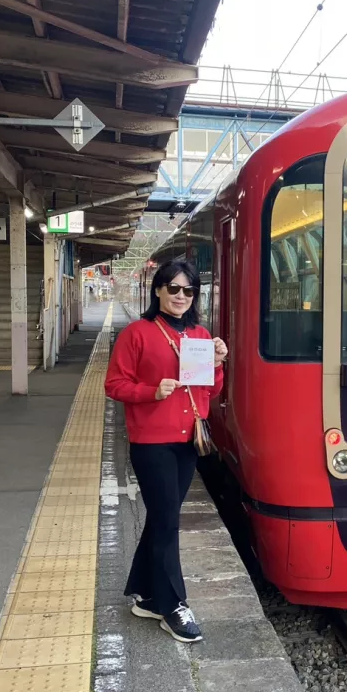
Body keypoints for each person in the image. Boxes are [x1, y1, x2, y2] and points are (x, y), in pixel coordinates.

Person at [104, 260, 227, 643]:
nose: (180, 296)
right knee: (168, 522)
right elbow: (114, 384)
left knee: (163, 518)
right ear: (158, 290)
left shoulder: (200, 335)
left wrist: (217, 364)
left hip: (189, 440)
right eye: (173, 288)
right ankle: (173, 605)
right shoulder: (137, 334)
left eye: (188, 290)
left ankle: (146, 595)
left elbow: (209, 390)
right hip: (151, 443)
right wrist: (150, 392)